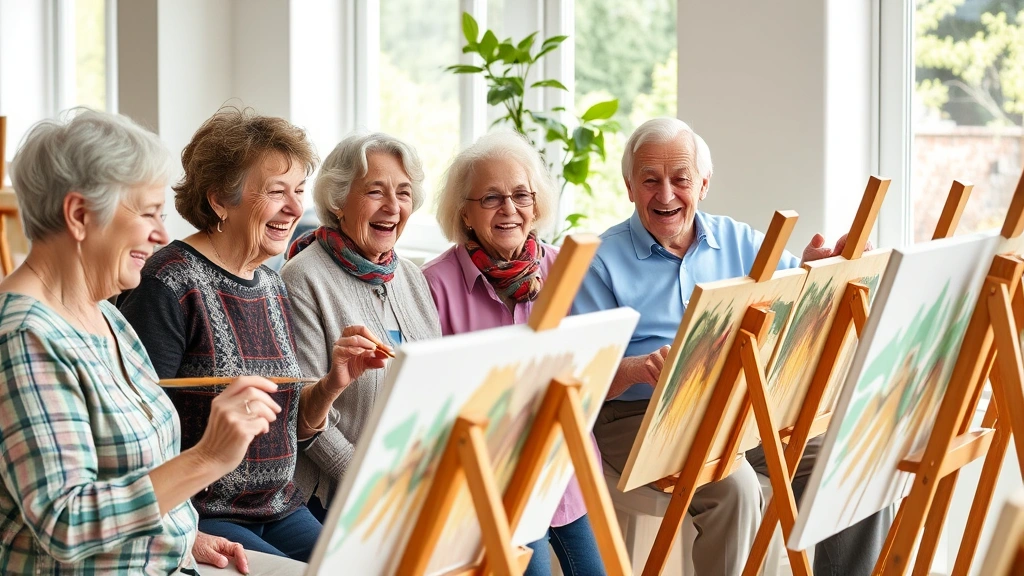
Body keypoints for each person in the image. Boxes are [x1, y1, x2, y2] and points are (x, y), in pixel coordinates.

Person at [571, 117, 890, 576]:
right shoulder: (599, 261)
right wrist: (638, 366)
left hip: (739, 409)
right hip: (638, 417)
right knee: (735, 486)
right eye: (649, 180)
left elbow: (792, 295)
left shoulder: (738, 239)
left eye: (680, 179)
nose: (665, 195)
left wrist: (816, 270)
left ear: (703, 185)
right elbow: (583, 378)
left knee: (850, 459)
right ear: (628, 187)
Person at [0, 109, 279, 574]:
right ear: (80, 215)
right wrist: (208, 457)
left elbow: (132, 475)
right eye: (148, 213)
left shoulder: (107, 313)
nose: (162, 234)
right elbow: (69, 523)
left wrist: (185, 535)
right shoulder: (25, 337)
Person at [118, 107, 388, 562]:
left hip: (278, 505)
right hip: (202, 512)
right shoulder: (167, 283)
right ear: (221, 199)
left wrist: (331, 385)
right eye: (276, 192)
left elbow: (289, 432)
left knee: (372, 566)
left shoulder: (270, 281)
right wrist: (180, 533)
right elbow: (136, 435)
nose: (295, 208)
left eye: (299, 190)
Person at [422, 131, 604, 576]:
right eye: (491, 198)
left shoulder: (566, 269)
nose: (509, 209)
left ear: (537, 203)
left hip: (564, 463)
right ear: (463, 211)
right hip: (492, 476)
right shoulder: (433, 285)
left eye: (521, 195)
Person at [282, 132, 442, 517]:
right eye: (375, 191)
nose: (392, 207)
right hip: (338, 496)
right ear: (338, 201)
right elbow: (304, 415)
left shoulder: (411, 276)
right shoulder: (302, 278)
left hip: (414, 480)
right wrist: (373, 484)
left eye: (403, 193)